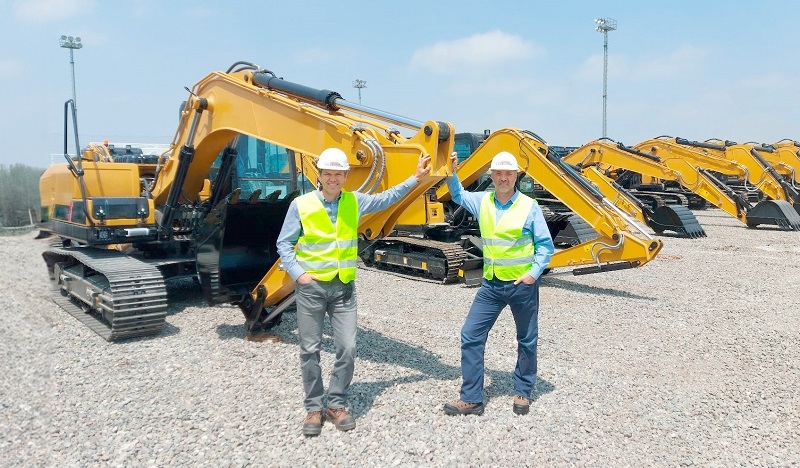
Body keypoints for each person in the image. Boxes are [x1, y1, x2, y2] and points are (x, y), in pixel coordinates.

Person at [277, 147, 431, 436]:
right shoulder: (301, 205)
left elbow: (386, 199)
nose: (333, 179)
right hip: (311, 289)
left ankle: (335, 402)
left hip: (344, 288)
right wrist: (299, 274)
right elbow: (284, 244)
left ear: (345, 176)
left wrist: (415, 178)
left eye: (338, 174)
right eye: (328, 174)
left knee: (347, 348)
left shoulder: (354, 201)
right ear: (319, 175)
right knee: (310, 349)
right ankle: (313, 407)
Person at [442, 150, 554, 416]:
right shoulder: (483, 201)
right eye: (498, 173)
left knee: (527, 339)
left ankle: (523, 392)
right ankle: (472, 398)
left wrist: (533, 274)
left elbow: (545, 247)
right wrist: (451, 170)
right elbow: (457, 194)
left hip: (521, 286)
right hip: (491, 285)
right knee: (470, 335)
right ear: (492, 176)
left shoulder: (529, 206)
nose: (503, 178)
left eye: (508, 173)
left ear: (516, 176)